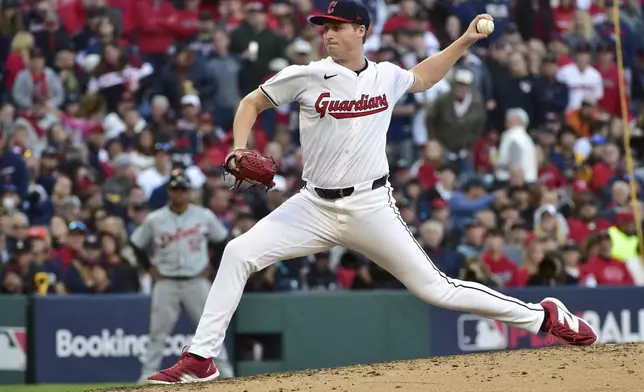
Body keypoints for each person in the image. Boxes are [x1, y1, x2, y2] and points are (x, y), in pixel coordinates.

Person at [146, 1, 598, 384]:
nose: (327, 34)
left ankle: (545, 317)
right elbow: (251, 103)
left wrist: (464, 42)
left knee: (437, 289)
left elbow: (422, 77)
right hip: (313, 204)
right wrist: (237, 150)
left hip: (369, 204)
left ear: (361, 30)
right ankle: (202, 359)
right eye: (324, 27)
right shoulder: (307, 75)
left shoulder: (385, 76)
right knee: (238, 252)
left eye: (337, 27)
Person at [130, 168, 234, 382]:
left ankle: (226, 374)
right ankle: (144, 378)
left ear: (189, 192)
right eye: (176, 189)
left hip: (196, 280)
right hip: (166, 282)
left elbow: (223, 239)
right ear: (169, 191)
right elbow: (137, 244)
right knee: (157, 332)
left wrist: (212, 265)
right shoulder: (155, 219)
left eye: (183, 189)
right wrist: (149, 267)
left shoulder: (203, 215)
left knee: (211, 330)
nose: (179, 193)